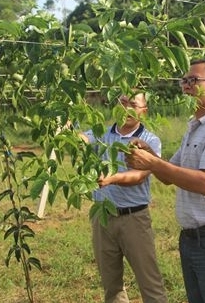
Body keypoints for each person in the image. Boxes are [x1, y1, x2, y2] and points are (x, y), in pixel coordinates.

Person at [125, 59, 205, 303]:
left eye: (194, 80)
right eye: (184, 81)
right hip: (193, 238)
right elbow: (170, 175)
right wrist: (152, 157)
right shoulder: (195, 127)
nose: (187, 86)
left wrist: (153, 163)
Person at [80, 92, 168, 303]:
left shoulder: (148, 140)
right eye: (122, 102)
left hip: (134, 219)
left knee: (150, 282)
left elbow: (139, 176)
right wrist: (66, 131)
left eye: (133, 104)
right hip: (103, 217)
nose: (127, 108)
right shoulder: (102, 134)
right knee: (111, 285)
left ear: (143, 111)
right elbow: (82, 139)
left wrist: (111, 178)